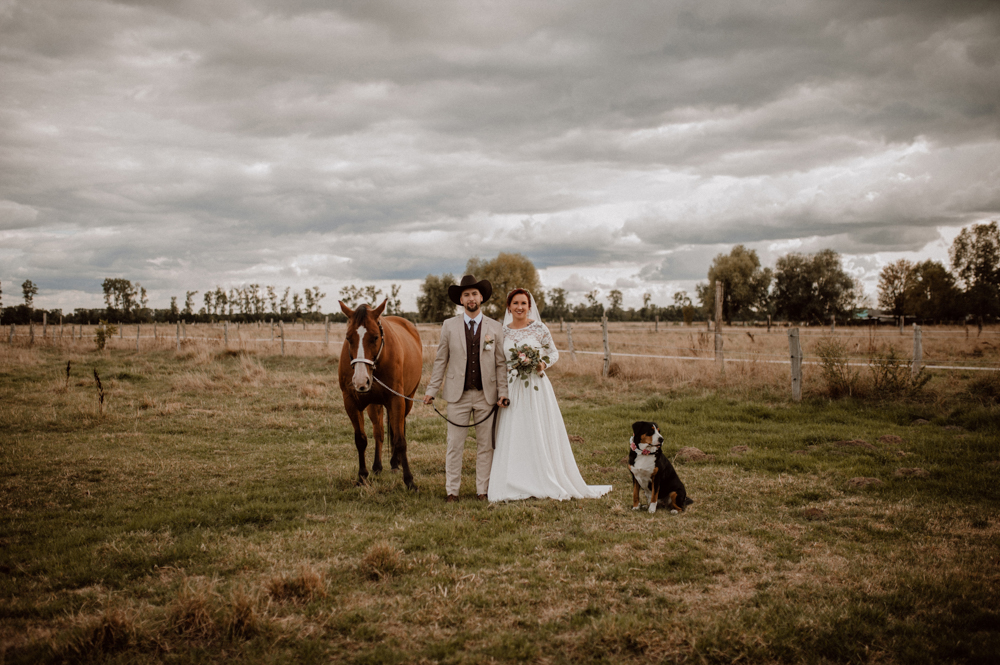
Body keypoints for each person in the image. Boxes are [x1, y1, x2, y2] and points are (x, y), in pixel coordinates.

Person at [488, 289, 612, 502]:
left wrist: (541, 363)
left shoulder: (538, 328)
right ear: (508, 307)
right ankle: (513, 479)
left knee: (537, 427)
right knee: (515, 429)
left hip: (536, 385)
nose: (519, 307)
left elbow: (553, 352)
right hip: (512, 387)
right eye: (515, 303)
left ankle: (544, 475)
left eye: (523, 303)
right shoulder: (502, 332)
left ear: (529, 306)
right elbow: (498, 361)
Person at [424, 275, 509, 502]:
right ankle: (452, 491)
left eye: (474, 294)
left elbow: (501, 363)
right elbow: (440, 360)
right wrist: (431, 390)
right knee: (454, 445)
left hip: (486, 396)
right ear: (461, 300)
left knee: (486, 446)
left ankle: (483, 490)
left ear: (481, 297)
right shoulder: (449, 326)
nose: (471, 298)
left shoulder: (496, 327)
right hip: (457, 396)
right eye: (466, 295)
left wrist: (503, 392)